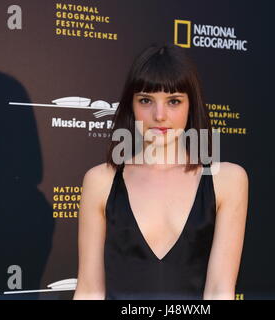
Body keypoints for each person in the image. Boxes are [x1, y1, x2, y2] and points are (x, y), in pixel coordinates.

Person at [73, 43, 248, 300]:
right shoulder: (100, 181)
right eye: (146, 100)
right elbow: (90, 291)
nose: (159, 115)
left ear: (191, 106)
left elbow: (220, 290)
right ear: (131, 105)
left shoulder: (228, 180)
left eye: (174, 101)